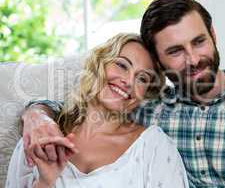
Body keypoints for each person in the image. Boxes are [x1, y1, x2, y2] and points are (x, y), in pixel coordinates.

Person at [20, 0, 225, 187]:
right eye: (175, 51)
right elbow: (82, 109)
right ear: (158, 61)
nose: (193, 59)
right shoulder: (147, 108)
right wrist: (37, 116)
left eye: (199, 41)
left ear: (213, 35)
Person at [6, 33, 189, 188]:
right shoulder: (39, 135)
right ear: (99, 64)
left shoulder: (153, 146)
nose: (128, 81)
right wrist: (46, 182)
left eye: (142, 78)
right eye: (122, 65)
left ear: (146, 93)